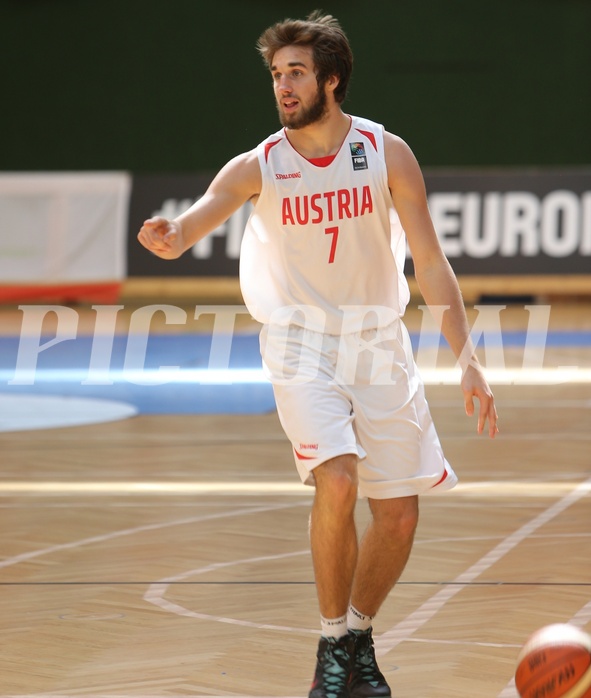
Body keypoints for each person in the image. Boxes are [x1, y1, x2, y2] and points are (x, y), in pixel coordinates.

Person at [138, 10, 498, 698]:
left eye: (296, 73)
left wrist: (467, 358)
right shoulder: (259, 164)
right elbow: (197, 217)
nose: (283, 86)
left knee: (397, 514)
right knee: (335, 478)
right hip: (300, 342)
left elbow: (429, 259)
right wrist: (171, 234)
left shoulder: (385, 152)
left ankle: (357, 636)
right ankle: (333, 644)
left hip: (379, 341)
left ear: (331, 79)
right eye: (276, 75)